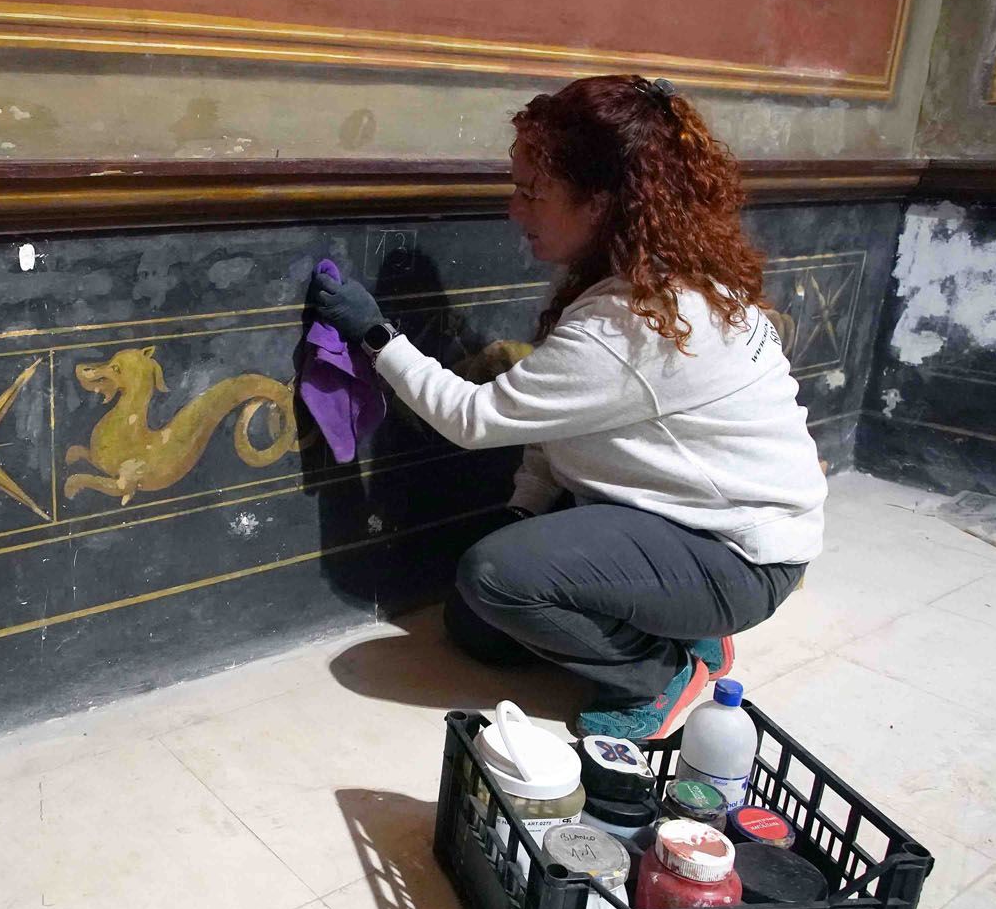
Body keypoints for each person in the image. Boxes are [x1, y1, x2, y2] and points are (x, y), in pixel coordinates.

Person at [309, 75, 823, 740]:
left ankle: (661, 669)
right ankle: (682, 625)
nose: (516, 210)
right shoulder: (646, 279)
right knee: (477, 625)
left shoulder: (637, 321)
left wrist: (376, 335)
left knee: (494, 576)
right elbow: (558, 419)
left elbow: (475, 418)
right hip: (682, 521)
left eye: (533, 193)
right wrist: (526, 507)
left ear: (601, 203)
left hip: (738, 553)